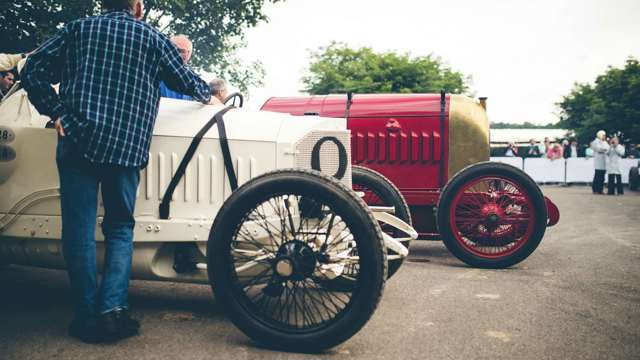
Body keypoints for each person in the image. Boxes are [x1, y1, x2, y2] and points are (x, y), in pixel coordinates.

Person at [21, 0, 213, 344]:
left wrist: (56, 112)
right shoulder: (153, 39)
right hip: (125, 147)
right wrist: (209, 95)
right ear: (136, 6)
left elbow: (31, 69)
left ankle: (84, 315)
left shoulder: (78, 29)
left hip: (77, 139)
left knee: (78, 229)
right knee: (120, 228)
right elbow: (189, 82)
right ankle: (112, 313)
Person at [159, 35, 194, 100]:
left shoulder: (192, 79)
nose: (178, 54)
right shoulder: (154, 71)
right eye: (175, 49)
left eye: (183, 51)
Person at [590, 130, 610, 194]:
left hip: (604, 162)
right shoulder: (595, 142)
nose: (605, 137)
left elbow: (608, 149)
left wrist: (605, 149)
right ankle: (595, 189)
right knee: (598, 176)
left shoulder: (605, 142)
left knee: (602, 177)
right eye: (603, 135)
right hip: (598, 161)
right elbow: (599, 149)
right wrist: (604, 149)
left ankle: (600, 189)